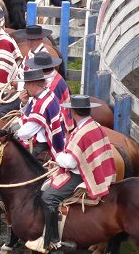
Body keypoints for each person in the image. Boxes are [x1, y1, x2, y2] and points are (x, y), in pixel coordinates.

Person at [25, 95, 116, 253]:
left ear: (73, 112)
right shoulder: (95, 125)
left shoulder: (81, 132)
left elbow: (71, 163)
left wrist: (59, 157)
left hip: (81, 175)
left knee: (48, 197)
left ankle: (53, 239)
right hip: (99, 170)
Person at [14, 69, 65, 161]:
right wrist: (25, 103)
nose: (24, 87)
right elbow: (30, 115)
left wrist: (13, 134)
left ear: (33, 85)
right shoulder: (47, 94)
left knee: (15, 159)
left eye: (26, 84)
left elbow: (25, 133)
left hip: (41, 145)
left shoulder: (41, 105)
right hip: (43, 139)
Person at [26, 51, 71, 133]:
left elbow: (41, 109)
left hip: (58, 124)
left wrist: (25, 103)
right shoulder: (55, 77)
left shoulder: (52, 87)